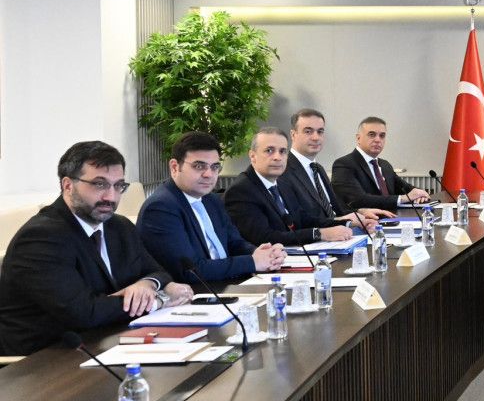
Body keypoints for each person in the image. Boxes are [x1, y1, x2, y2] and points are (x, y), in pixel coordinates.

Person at [0, 141, 192, 356]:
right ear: (68, 185)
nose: (111, 197)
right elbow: (84, 312)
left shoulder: (119, 226)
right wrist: (157, 300)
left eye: (118, 186)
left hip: (106, 340)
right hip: (45, 358)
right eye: (99, 184)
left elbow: (158, 272)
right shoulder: (41, 238)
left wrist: (145, 284)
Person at [138, 132, 286, 284]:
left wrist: (261, 253)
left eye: (215, 167)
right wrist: (252, 262)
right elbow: (191, 272)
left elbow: (234, 243)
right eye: (199, 166)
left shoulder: (211, 200)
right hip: (198, 291)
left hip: (227, 284)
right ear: (175, 167)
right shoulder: (160, 208)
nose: (208, 174)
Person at [224, 127, 359, 247]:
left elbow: (303, 219)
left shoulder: (282, 184)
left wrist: (347, 223)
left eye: (282, 151)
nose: (277, 157)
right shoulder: (242, 190)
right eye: (269, 150)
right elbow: (263, 237)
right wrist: (319, 234)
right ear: (253, 156)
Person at [279, 108, 388, 227]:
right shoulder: (283, 170)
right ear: (293, 135)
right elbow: (299, 220)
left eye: (320, 132)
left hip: (340, 232)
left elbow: (334, 211)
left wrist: (360, 212)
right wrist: (343, 221)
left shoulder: (317, 168)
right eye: (308, 131)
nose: (316, 137)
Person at [332, 116, 431, 210]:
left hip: (393, 217)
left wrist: (420, 194)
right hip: (366, 220)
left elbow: (407, 189)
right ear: (358, 138)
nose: (378, 140)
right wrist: (404, 198)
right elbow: (358, 200)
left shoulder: (385, 165)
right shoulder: (344, 164)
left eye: (382, 136)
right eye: (372, 135)